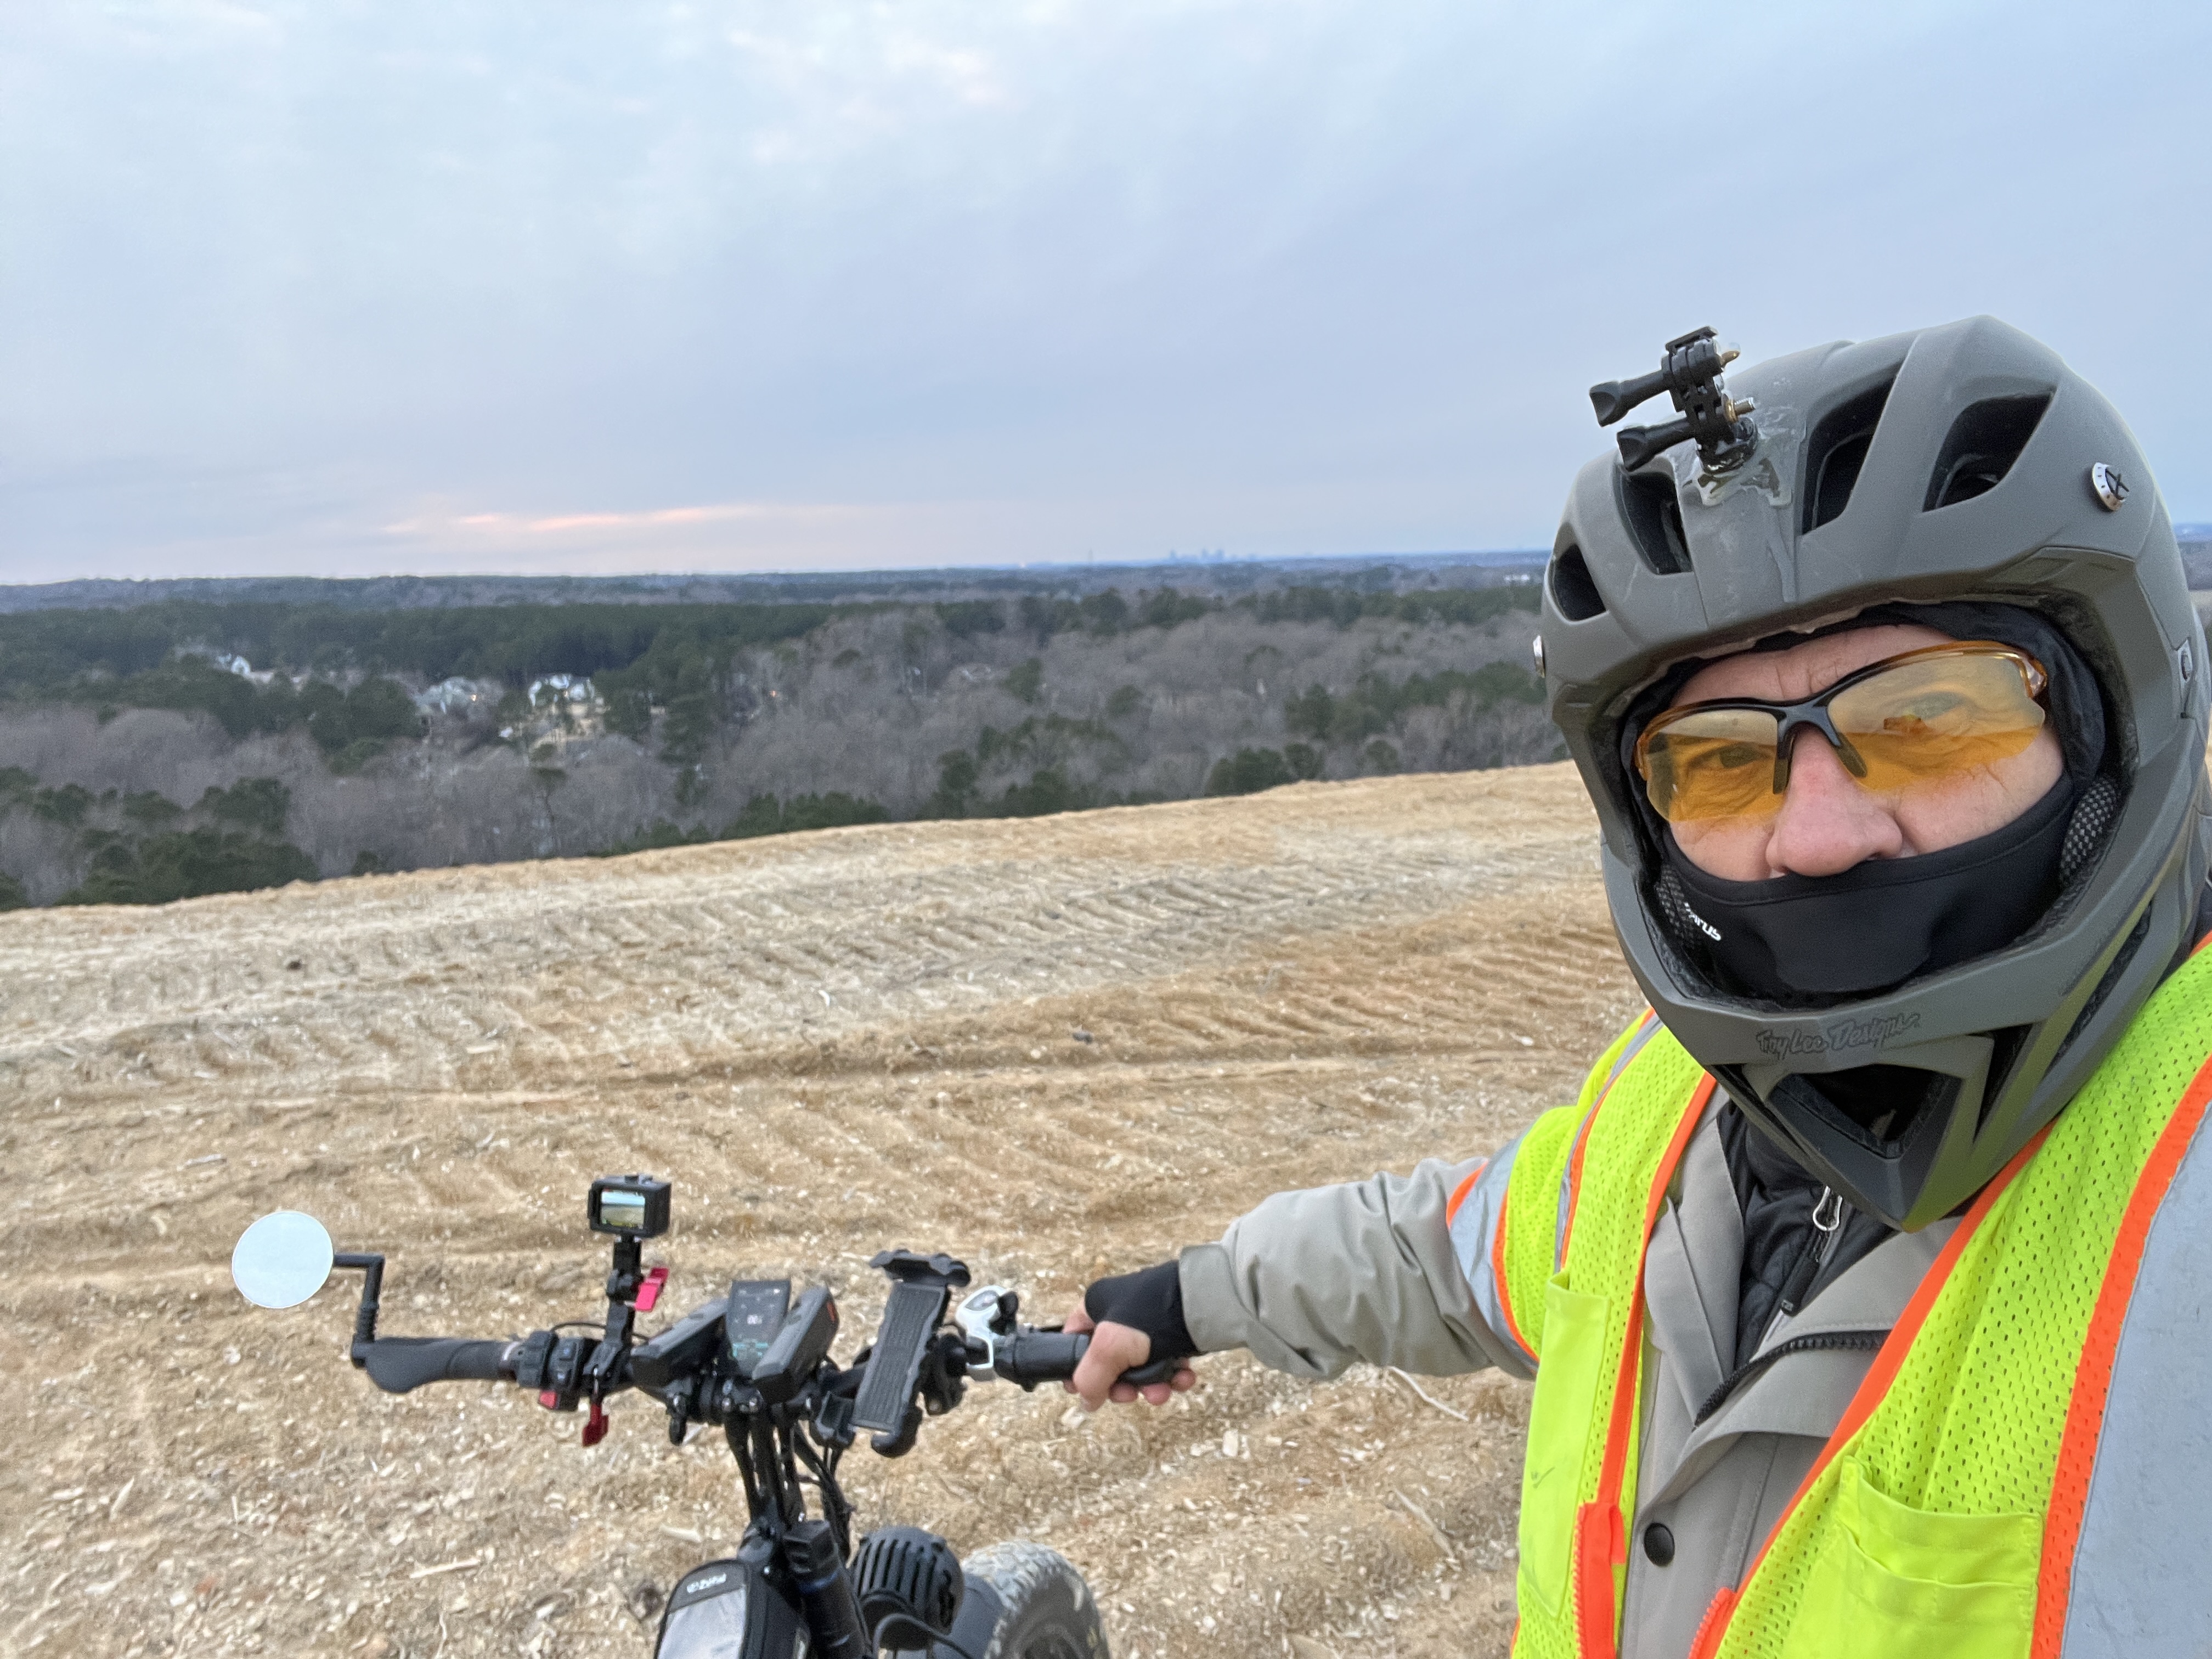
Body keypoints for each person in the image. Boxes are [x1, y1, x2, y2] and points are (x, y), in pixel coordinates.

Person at [1064, 315, 2212, 1657]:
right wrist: (1194, 1294)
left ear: (2112, 716)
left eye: (1928, 720)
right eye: (1721, 763)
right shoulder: (1661, 1124)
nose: (1819, 835)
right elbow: (1447, 1254)